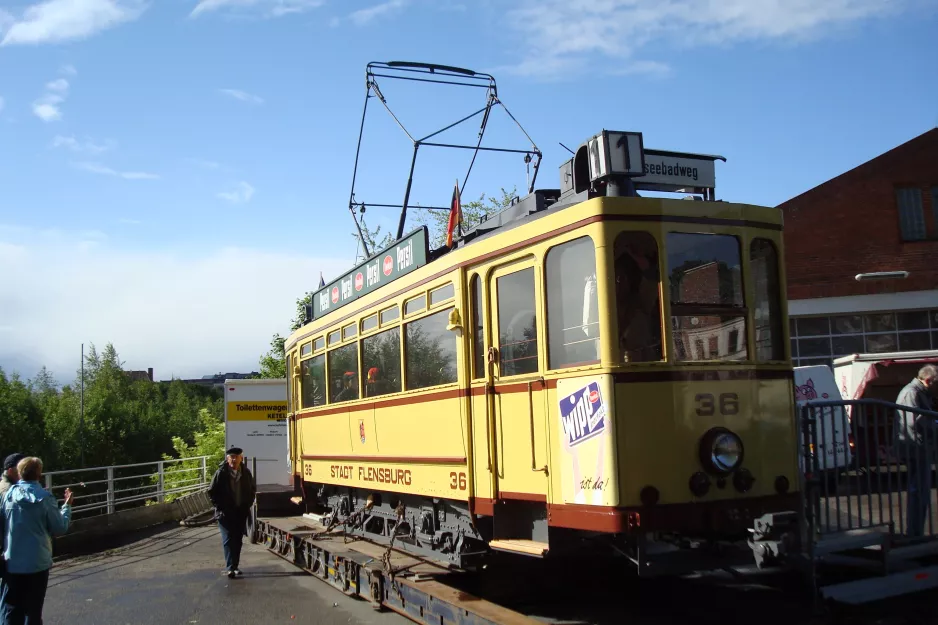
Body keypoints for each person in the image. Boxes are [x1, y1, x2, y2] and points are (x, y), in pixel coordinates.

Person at [0, 457, 72, 625]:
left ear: (20, 473)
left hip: (12, 562)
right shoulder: (45, 498)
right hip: (37, 563)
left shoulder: (7, 496)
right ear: (39, 474)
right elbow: (60, 528)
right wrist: (67, 507)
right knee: (33, 610)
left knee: (11, 609)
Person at [895, 365, 938, 537]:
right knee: (918, 492)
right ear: (928, 381)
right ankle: (914, 533)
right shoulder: (912, 393)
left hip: (919, 448)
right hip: (915, 448)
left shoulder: (918, 392)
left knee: (921, 492)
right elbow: (913, 422)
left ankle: (916, 532)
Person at [208, 447, 256, 578]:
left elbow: (252, 490)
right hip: (225, 512)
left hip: (240, 511)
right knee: (228, 539)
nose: (234, 460)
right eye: (231, 457)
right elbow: (212, 491)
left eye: (236, 457)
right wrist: (219, 506)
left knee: (238, 539)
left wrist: (248, 504)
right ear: (227, 459)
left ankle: (235, 565)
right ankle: (230, 567)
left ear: (241, 458)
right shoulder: (221, 473)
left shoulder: (245, 472)